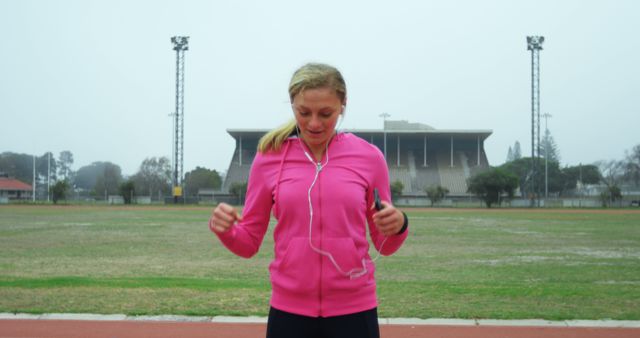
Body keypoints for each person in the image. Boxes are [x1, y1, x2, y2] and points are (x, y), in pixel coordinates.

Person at [209, 63, 409, 338]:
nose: (314, 123)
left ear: (342, 106)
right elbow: (248, 243)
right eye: (303, 113)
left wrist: (398, 225)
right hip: (289, 313)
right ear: (292, 106)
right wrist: (227, 231)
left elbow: (384, 245)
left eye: (326, 113)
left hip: (354, 310)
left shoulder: (369, 158)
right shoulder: (269, 157)